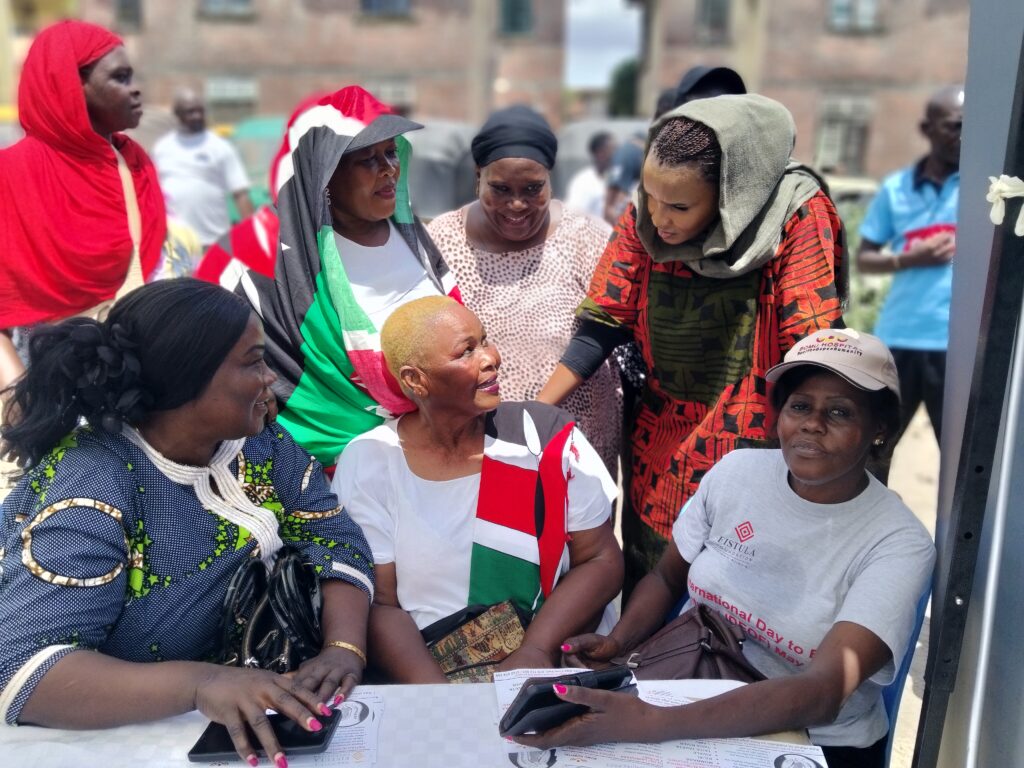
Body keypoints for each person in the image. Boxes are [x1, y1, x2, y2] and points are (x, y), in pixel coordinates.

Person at [0, 279, 374, 766]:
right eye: (253, 362)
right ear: (187, 376)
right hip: (118, 745)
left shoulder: (257, 442)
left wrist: (342, 648)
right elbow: (27, 672)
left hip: (243, 717)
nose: (270, 378)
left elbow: (332, 536)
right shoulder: (92, 487)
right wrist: (202, 684)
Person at [521, 330, 935, 768]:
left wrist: (649, 722)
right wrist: (618, 642)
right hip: (687, 690)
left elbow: (823, 692)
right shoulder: (738, 472)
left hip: (812, 741)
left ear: (880, 430)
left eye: (839, 412)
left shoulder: (897, 542)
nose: (813, 424)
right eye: (799, 406)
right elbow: (666, 577)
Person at [538, 94, 846, 596]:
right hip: (662, 441)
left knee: (738, 587)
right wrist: (536, 410)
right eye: (650, 197)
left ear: (732, 196)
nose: (659, 220)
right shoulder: (649, 217)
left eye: (680, 207)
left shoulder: (795, 215)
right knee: (654, 582)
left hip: (757, 444)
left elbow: (811, 344)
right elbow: (605, 319)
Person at [332, 297, 623, 683]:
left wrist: (536, 650)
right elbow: (379, 603)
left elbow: (601, 559)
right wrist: (443, 698)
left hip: (546, 666)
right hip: (424, 676)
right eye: (466, 351)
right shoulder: (371, 459)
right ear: (415, 379)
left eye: (484, 340)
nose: (491, 358)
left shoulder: (540, 437)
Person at [239, 86, 459, 467]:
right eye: (368, 159)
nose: (389, 169)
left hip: (443, 449)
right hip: (337, 466)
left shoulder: (415, 238)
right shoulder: (283, 272)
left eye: (391, 152)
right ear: (324, 175)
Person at [428, 106, 621, 475]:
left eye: (533, 189)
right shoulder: (442, 241)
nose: (517, 204)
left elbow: (607, 331)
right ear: (478, 177)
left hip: (575, 445)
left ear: (550, 179)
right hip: (479, 444)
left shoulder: (586, 237)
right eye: (500, 189)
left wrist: (535, 415)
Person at [0, 20, 166, 390]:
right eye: (120, 78)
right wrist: (19, 403)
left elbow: (158, 277)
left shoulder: (134, 165)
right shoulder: (9, 176)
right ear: (71, 87)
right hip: (43, 390)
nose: (136, 89)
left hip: (137, 384)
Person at [856, 84, 963, 448]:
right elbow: (865, 259)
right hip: (899, 337)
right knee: (876, 445)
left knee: (960, 452)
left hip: (957, 344)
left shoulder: (985, 187)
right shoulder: (897, 188)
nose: (965, 136)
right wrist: (910, 259)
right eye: (955, 125)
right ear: (926, 129)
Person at [602, 66, 745, 225]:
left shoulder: (752, 196)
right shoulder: (643, 213)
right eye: (702, 111)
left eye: (725, 111)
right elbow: (612, 207)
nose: (714, 124)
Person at [153, 88, 255, 251]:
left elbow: (240, 194)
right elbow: (152, 194)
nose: (197, 116)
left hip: (214, 243)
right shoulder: (162, 148)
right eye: (190, 112)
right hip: (175, 245)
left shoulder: (220, 146)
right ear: (177, 114)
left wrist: (253, 236)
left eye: (200, 111)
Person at [565, 131, 616, 220]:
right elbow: (573, 215)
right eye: (612, 149)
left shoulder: (616, 176)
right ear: (600, 153)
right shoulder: (584, 181)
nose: (616, 154)